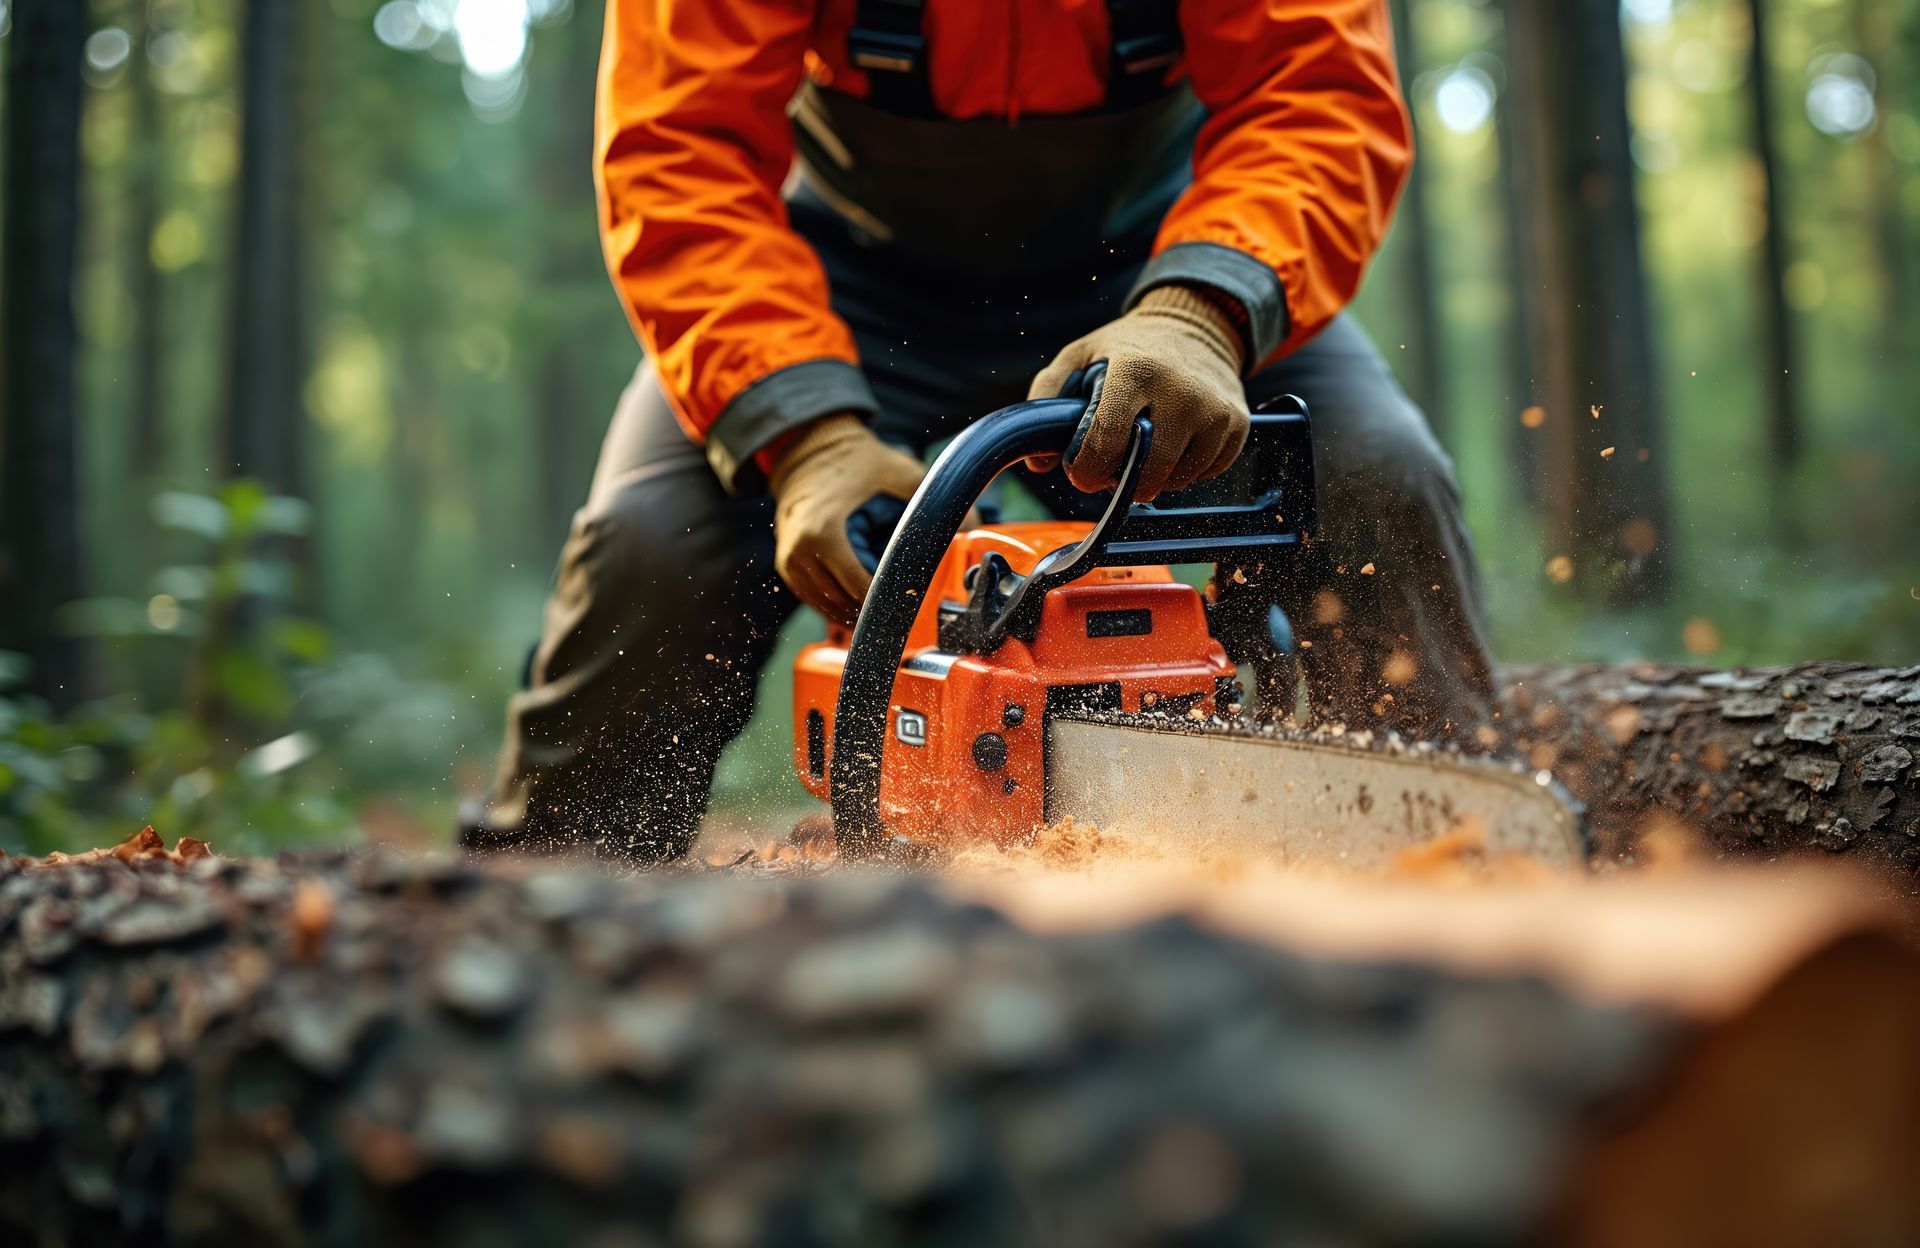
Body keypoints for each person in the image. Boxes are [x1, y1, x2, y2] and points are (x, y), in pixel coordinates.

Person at [460, 0, 1494, 860]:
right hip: (838, 283)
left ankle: (1459, 849)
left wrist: (1204, 309)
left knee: (1368, 474)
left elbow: (1313, 88)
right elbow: (678, 146)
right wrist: (803, 428)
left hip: (1161, 261)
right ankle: (544, 896)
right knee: (653, 540)